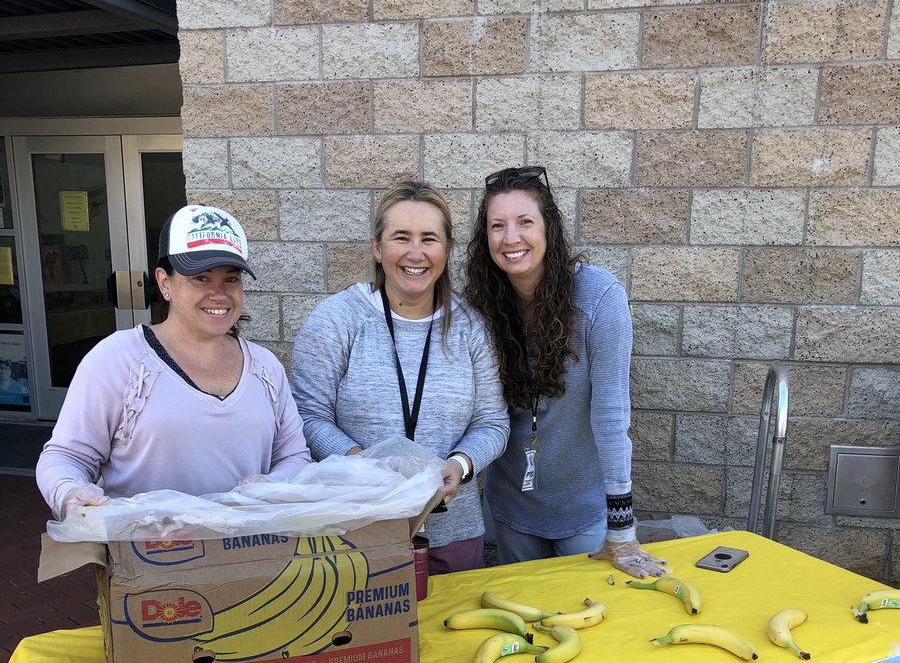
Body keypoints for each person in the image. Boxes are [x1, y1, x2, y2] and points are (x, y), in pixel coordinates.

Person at [37, 204, 311, 519]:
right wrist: (69, 492)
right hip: (149, 557)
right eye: (201, 278)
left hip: (247, 556)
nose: (219, 294)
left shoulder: (265, 367)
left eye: (231, 280)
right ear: (164, 282)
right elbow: (65, 457)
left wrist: (272, 485)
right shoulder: (117, 360)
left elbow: (293, 456)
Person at [291, 180, 509, 574]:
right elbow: (306, 417)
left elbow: (492, 423)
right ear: (377, 248)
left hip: (453, 534)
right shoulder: (337, 320)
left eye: (429, 238)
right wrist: (363, 465)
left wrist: (459, 465)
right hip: (355, 533)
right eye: (400, 238)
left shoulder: (471, 327)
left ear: (446, 249)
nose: (416, 253)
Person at [464, 165, 665, 577]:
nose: (511, 238)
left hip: (585, 511)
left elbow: (611, 417)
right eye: (496, 225)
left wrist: (622, 528)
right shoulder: (480, 305)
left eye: (525, 222)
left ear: (548, 228)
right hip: (511, 508)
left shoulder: (599, 297)